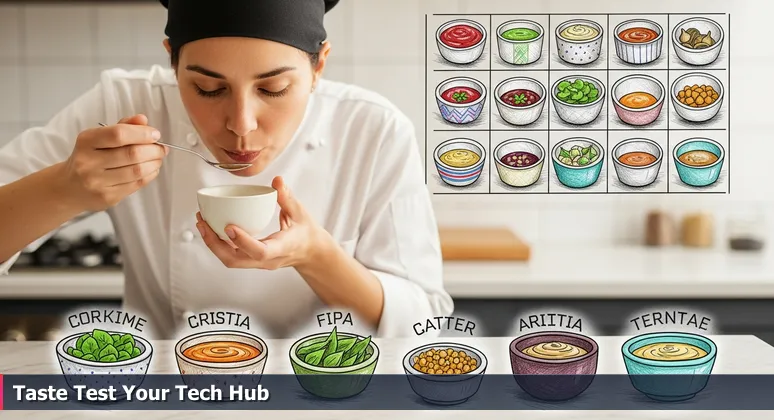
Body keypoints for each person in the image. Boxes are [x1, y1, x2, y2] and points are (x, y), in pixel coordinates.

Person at [0, 0, 453, 339]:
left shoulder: (371, 129)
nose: (241, 125)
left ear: (319, 67)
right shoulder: (126, 105)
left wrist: (317, 256)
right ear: (171, 62)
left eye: (273, 89)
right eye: (207, 88)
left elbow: (424, 325)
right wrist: (63, 189)